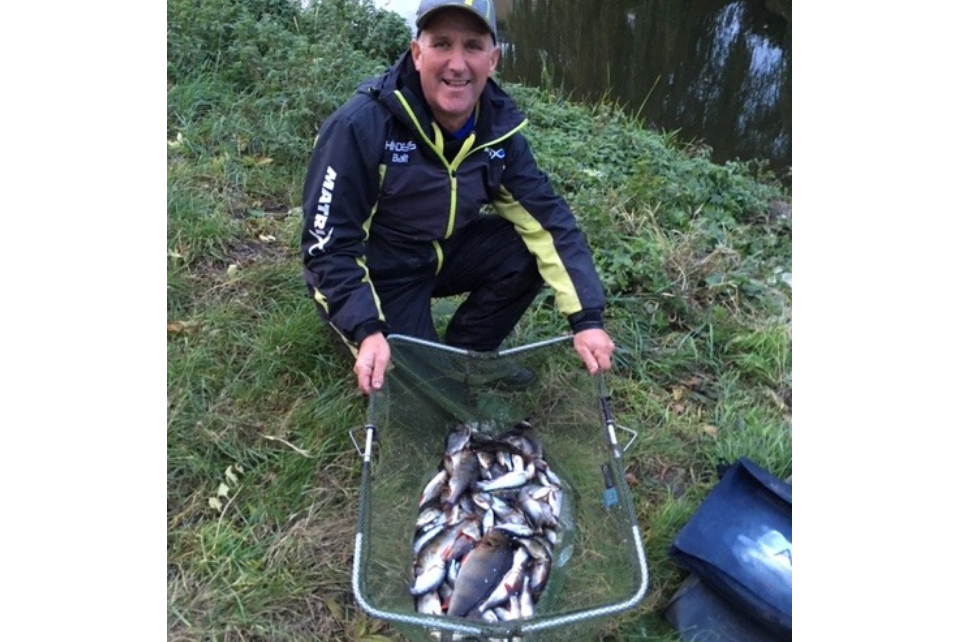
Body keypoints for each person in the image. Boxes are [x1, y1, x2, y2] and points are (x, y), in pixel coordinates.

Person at [301, 0, 615, 395]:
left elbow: (551, 222)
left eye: (472, 46)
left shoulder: (497, 132)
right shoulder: (360, 127)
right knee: (427, 401)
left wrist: (586, 319)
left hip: (441, 254)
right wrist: (366, 328)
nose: (456, 63)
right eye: (442, 44)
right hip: (380, 275)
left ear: (493, 60)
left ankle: (467, 358)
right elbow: (327, 249)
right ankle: (410, 355)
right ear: (417, 53)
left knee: (524, 248)